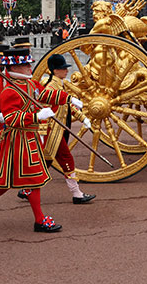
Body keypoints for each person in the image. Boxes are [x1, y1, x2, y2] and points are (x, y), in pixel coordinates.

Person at [0, 41, 82, 232]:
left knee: (8, 180)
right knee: (33, 179)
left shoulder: (28, 84)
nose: (30, 67)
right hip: (18, 140)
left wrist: (68, 98)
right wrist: (36, 116)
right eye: (26, 65)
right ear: (15, 67)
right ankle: (39, 220)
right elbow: (11, 118)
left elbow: (46, 94)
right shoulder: (10, 91)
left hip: (28, 138)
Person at [38, 53, 95, 204]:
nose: (66, 71)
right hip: (52, 131)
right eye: (63, 68)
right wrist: (70, 98)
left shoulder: (59, 84)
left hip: (59, 129)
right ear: (56, 70)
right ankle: (77, 194)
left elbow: (68, 106)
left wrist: (84, 118)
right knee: (66, 159)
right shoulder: (51, 85)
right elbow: (46, 97)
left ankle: (27, 190)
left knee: (46, 162)